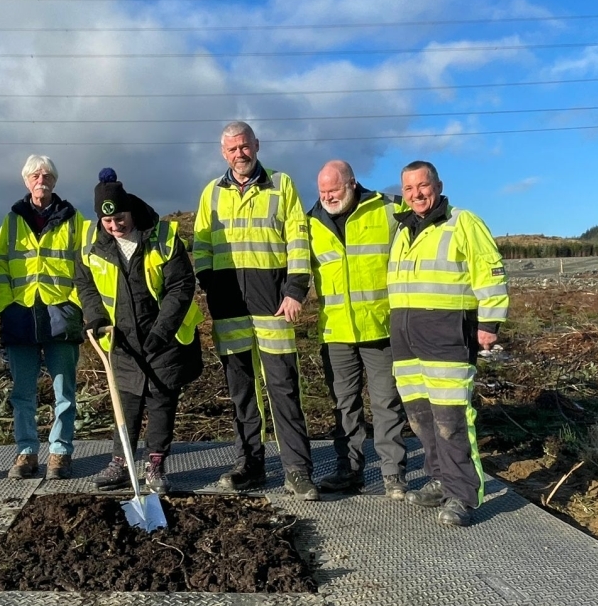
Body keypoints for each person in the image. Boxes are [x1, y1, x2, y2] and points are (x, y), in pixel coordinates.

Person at [192, 121, 318, 501]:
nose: (239, 154)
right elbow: (201, 245)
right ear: (223, 152)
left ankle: (297, 470)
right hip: (230, 308)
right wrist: (210, 285)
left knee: (282, 387)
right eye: (231, 149)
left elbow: (298, 239)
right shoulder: (210, 194)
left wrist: (295, 289)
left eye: (244, 147)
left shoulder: (282, 185)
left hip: (274, 307)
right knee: (241, 392)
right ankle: (250, 464)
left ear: (256, 145)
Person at [388, 160, 509, 527]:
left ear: (438, 185)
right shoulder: (403, 229)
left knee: (451, 419)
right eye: (408, 189)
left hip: (447, 335)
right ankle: (440, 478)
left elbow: (489, 269)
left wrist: (489, 322)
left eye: (422, 186)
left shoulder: (462, 223)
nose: (416, 194)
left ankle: (462, 495)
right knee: (421, 417)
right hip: (407, 338)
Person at [75, 169, 204, 493]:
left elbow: (180, 285)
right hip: (120, 338)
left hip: (165, 336)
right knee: (126, 401)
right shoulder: (92, 244)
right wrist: (94, 317)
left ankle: (155, 466)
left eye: (120, 218)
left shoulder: (161, 235)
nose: (115, 226)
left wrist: (161, 332)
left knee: (161, 401)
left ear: (130, 209)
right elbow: (86, 284)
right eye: (108, 222)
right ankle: (121, 463)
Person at [307, 160, 408, 497]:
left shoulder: (389, 209)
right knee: (343, 405)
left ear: (351, 183)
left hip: (380, 328)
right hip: (336, 333)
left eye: (333, 190)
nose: (327, 197)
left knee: (386, 403)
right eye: (322, 192)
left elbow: (427, 223)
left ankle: (393, 474)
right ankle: (348, 470)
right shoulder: (311, 223)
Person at [0, 155, 89, 480]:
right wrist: (6, 304)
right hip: (21, 317)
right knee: (22, 393)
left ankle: (60, 453)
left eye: (47, 175)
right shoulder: (12, 219)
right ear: (26, 181)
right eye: (35, 175)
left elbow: (84, 264)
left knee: (65, 391)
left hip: (61, 316)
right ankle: (26, 453)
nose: (41, 179)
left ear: (55, 181)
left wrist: (74, 305)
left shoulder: (74, 219)